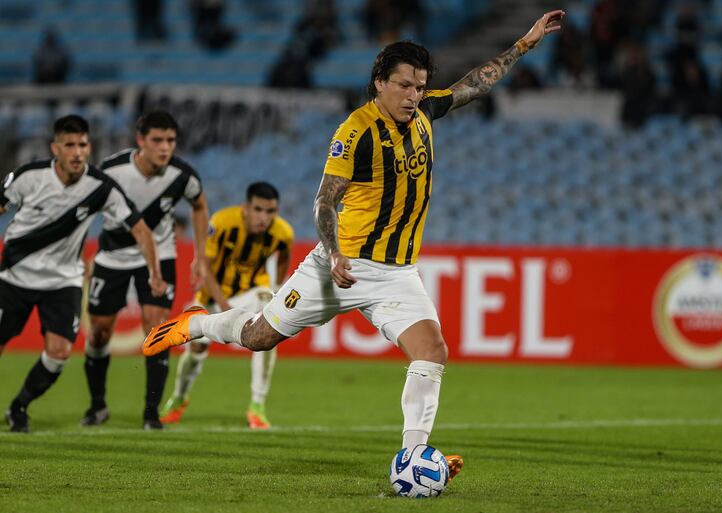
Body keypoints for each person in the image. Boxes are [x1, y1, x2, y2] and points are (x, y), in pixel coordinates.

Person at [143, 11, 564, 480]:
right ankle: (200, 324)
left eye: (420, 86)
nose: (414, 95)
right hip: (339, 265)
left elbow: (476, 84)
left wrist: (525, 43)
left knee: (432, 351)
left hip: (397, 274)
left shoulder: (424, 112)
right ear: (380, 83)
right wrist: (337, 251)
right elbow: (325, 201)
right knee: (260, 337)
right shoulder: (355, 132)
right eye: (405, 85)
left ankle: (413, 457)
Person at [0, 115, 165, 433]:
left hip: (63, 281)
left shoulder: (101, 188)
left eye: (83, 145)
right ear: (55, 149)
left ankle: (19, 407)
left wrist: (154, 272)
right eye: (70, 145)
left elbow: (142, 230)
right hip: (14, 277)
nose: (78, 152)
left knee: (59, 352)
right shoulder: (28, 177)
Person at [84, 110, 210, 430]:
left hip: (161, 255)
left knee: (156, 330)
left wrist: (200, 256)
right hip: (112, 255)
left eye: (170, 140)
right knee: (99, 331)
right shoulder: (112, 170)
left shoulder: (183, 176)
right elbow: (83, 207)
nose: (165, 147)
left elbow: (199, 205)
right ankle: (97, 404)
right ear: (141, 141)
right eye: (157, 140)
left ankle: (151, 413)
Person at [160, 181, 293, 429]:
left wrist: (276, 286)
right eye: (258, 209)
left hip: (253, 292)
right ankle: (179, 397)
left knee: (270, 321)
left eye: (270, 211)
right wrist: (224, 306)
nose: (264, 217)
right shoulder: (222, 223)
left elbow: (284, 254)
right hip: (214, 295)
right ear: (246, 207)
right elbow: (205, 267)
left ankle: (257, 406)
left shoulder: (283, 232)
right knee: (196, 351)